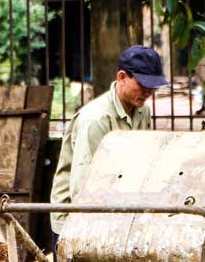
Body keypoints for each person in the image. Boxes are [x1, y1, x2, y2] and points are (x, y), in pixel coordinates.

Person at [49, 45, 169, 241]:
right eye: (143, 84)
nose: (148, 92)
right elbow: (82, 187)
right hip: (77, 221)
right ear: (122, 77)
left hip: (118, 213)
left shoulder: (142, 111)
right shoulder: (95, 120)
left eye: (153, 86)